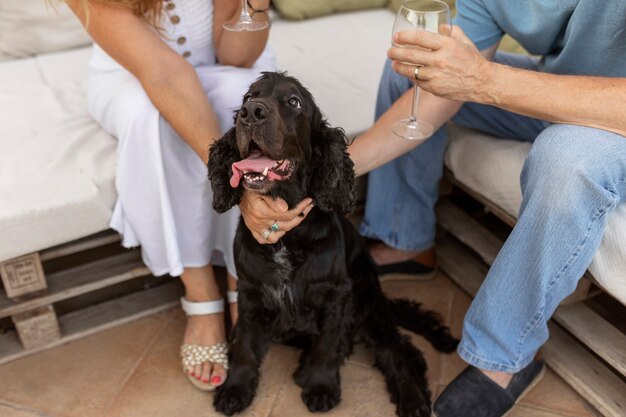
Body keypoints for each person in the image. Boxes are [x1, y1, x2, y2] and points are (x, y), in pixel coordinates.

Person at [239, 0, 626, 415]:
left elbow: (486, 82)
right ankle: (406, 239)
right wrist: (322, 178)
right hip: (565, 88)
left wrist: (486, 81)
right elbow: (436, 93)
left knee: (563, 160)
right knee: (417, 75)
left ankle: (506, 358)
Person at [65, 0, 275, 391]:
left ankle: (240, 283)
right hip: (131, 73)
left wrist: (255, 3)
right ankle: (201, 298)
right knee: (153, 118)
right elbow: (161, 73)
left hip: (224, 65)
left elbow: (238, 56)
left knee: (249, 102)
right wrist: (229, 178)